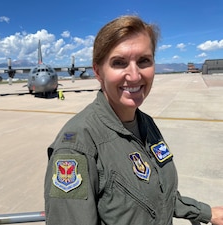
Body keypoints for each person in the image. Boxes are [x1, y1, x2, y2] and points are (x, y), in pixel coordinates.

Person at [44, 15, 223, 225]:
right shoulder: (77, 146)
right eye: (119, 63)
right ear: (98, 71)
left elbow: (158, 195)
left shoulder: (146, 123)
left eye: (143, 61)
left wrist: (205, 212)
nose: (135, 75)